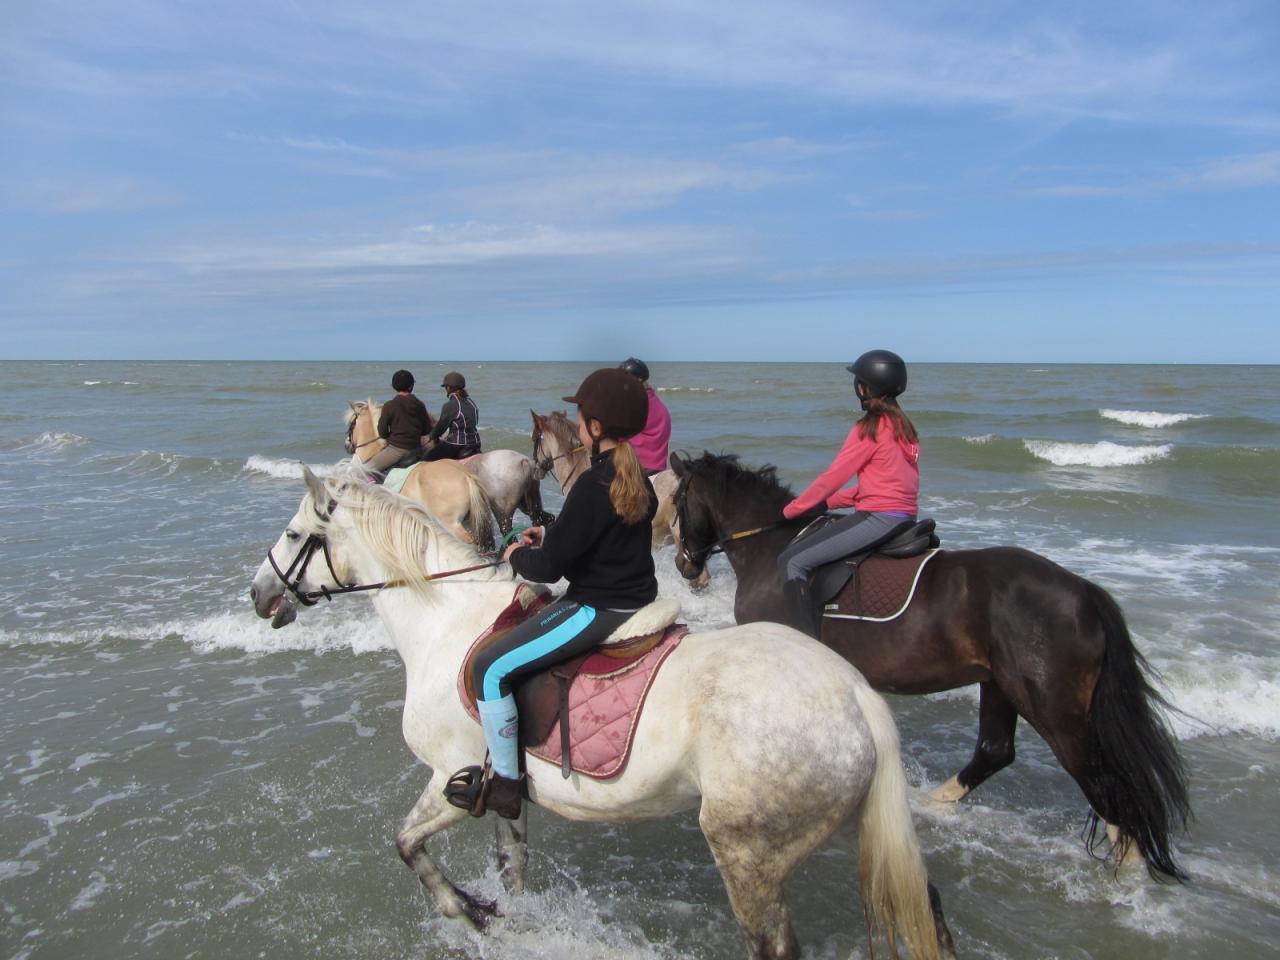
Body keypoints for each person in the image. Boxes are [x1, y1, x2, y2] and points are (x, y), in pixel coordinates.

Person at [444, 368, 658, 819]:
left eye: (582, 419)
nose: (578, 427)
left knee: (488, 667)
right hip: (636, 595)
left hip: (598, 607)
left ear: (596, 429)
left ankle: (504, 785)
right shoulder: (635, 474)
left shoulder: (591, 486)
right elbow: (603, 538)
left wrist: (515, 554)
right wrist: (553, 530)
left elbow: (551, 569)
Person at [776, 350, 921, 638]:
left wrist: (791, 510)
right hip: (905, 516)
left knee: (791, 562)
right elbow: (882, 485)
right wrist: (828, 503)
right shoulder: (905, 427)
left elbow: (833, 477)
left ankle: (808, 647)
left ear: (865, 387)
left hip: (879, 518)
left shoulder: (869, 428)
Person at [364, 369, 431, 474]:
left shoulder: (389, 406)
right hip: (416, 449)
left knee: (364, 470)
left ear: (393, 386)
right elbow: (427, 429)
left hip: (396, 450)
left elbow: (382, 432)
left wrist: (392, 435)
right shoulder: (420, 404)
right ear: (411, 386)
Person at [619, 357, 671, 476]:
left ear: (639, 380)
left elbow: (618, 432)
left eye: (625, 379)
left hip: (642, 466)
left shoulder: (637, 403)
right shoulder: (652, 399)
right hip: (658, 464)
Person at [424, 371, 481, 461]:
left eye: (446, 387)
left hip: (458, 446)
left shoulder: (450, 405)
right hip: (475, 443)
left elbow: (441, 427)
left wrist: (432, 436)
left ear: (449, 388)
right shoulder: (471, 402)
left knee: (426, 458)